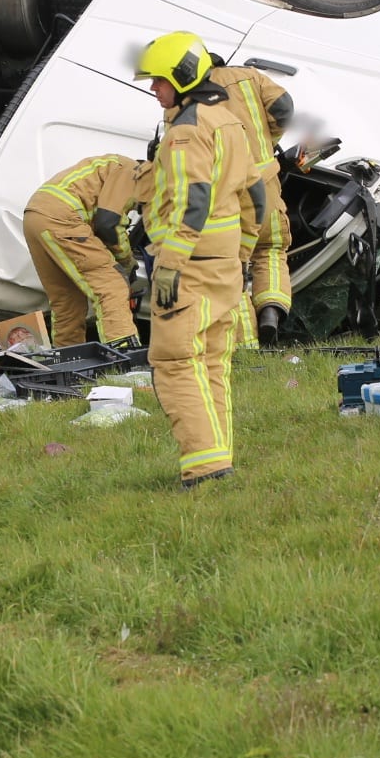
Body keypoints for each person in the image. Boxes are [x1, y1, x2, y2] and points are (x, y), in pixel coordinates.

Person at [134, 31, 260, 488]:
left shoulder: (186, 130)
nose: (154, 89)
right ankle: (217, 458)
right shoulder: (227, 120)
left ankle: (204, 467)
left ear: (181, 77)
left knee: (174, 363)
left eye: (158, 81)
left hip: (189, 268)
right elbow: (257, 193)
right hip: (224, 264)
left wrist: (170, 261)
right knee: (211, 363)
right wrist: (243, 253)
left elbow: (193, 199)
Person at [207, 55, 295, 346]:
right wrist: (269, 143)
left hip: (225, 193)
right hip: (265, 182)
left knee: (233, 263)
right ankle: (270, 312)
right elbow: (283, 108)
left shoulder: (187, 94)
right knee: (270, 249)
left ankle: (246, 344)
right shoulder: (249, 77)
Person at [22, 154, 145, 347]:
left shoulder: (111, 166)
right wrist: (127, 264)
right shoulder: (131, 171)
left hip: (35, 217)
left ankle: (68, 361)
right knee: (112, 286)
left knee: (67, 301)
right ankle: (124, 363)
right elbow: (109, 224)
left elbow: (100, 221)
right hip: (62, 217)